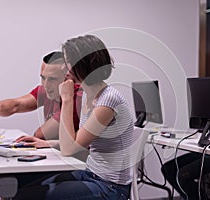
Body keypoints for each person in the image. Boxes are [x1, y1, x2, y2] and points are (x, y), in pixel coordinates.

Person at [13, 35, 134, 200]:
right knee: (23, 184)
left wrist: (67, 99)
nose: (64, 67)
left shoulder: (108, 101)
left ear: (84, 64)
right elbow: (79, 142)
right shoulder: (89, 93)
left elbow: (69, 149)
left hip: (110, 188)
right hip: (90, 174)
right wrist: (46, 143)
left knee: (27, 196)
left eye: (68, 61)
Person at [0, 51, 82, 148]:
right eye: (43, 78)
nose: (45, 85)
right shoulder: (48, 90)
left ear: (68, 79)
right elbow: (16, 105)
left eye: (52, 79)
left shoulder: (76, 98)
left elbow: (40, 136)